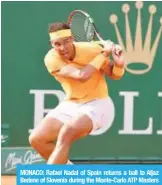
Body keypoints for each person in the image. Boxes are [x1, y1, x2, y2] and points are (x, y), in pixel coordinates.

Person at [29, 22, 125, 164]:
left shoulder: (92, 50)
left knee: (66, 133)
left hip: (99, 104)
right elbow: (81, 75)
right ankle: (71, 173)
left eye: (66, 42)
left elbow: (115, 75)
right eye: (57, 44)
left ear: (73, 38)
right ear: (51, 44)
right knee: (37, 139)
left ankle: (49, 178)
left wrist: (119, 64)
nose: (62, 48)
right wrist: (104, 54)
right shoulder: (51, 59)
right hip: (72, 103)